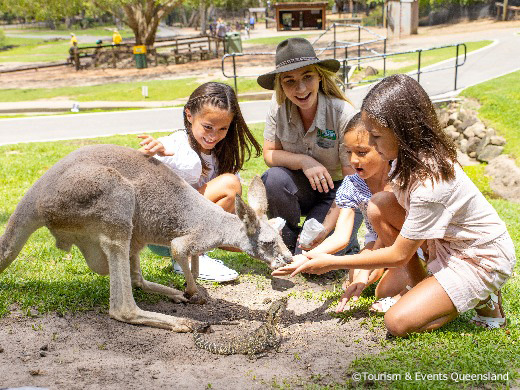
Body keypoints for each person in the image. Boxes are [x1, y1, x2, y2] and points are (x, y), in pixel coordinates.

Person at [274, 74, 516, 336]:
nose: (374, 145)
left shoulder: (430, 182)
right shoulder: (401, 160)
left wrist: (332, 262)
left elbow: (399, 254)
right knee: (379, 205)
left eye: (375, 137)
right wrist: (316, 255)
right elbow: (379, 233)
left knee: (397, 323)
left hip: (477, 256)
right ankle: (427, 288)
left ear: (401, 131)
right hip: (440, 244)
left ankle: (482, 296)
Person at [283, 112, 427, 311]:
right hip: (376, 241)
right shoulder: (352, 184)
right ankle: (387, 273)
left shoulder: (400, 179)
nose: (353, 160)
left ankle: (419, 273)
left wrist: (365, 271)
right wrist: (306, 257)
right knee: (357, 275)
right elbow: (341, 237)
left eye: (361, 152)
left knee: (379, 288)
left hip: (410, 242)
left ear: (382, 149)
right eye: (349, 152)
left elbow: (388, 235)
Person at [137, 82, 262, 282]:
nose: (213, 136)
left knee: (247, 232)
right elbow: (135, 173)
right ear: (189, 115)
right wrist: (149, 154)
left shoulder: (221, 156)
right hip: (162, 232)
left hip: (183, 228)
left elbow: (228, 216)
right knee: (229, 185)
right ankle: (187, 257)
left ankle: (196, 253)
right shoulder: (174, 145)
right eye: (207, 127)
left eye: (223, 129)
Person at [257, 37, 360, 255]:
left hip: (338, 192)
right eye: (289, 81)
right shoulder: (277, 108)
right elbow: (269, 154)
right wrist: (305, 161)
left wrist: (327, 228)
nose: (301, 88)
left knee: (311, 257)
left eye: (307, 77)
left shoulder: (343, 113)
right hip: (300, 188)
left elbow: (353, 181)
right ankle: (288, 238)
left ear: (320, 77)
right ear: (280, 86)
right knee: (273, 178)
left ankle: (342, 240)